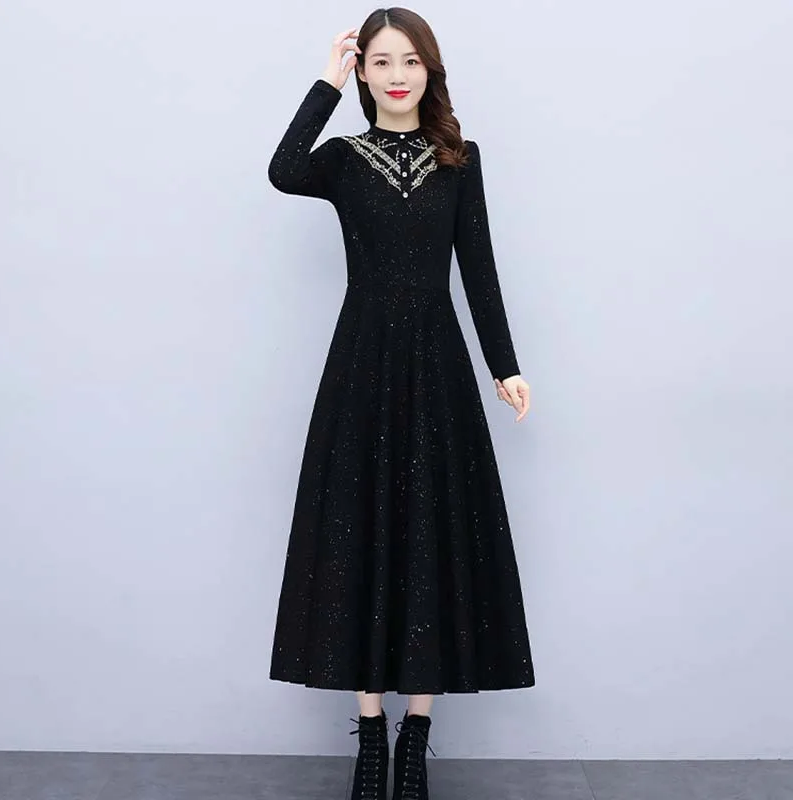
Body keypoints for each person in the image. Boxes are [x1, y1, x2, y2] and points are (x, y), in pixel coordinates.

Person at [267, 8, 535, 799]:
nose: (396, 74)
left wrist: (505, 366)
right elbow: (283, 169)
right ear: (364, 72)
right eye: (381, 61)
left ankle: (415, 738)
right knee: (363, 533)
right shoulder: (342, 160)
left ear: (430, 70)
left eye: (410, 60)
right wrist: (325, 81)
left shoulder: (460, 159)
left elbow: (478, 269)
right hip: (361, 366)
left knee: (429, 534)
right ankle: (371, 738)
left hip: (438, 365)